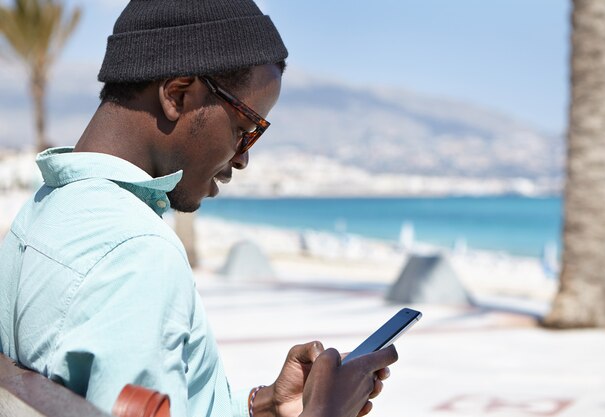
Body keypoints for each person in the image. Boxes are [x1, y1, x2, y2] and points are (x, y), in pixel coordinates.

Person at [0, 1, 399, 417]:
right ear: (177, 95)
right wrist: (326, 412)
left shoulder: (40, 214)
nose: (243, 158)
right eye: (244, 130)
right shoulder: (137, 253)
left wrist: (260, 406)